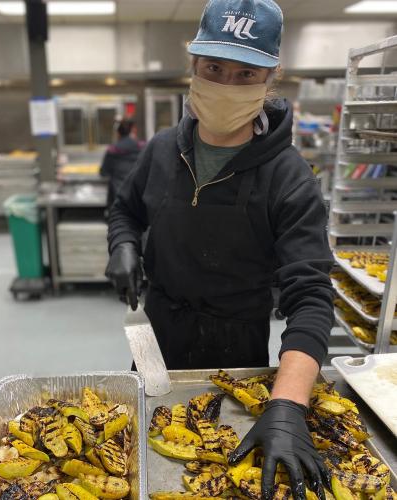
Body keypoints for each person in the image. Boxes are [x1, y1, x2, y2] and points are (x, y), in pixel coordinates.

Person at [105, 0, 334, 499]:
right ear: (193, 67)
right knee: (131, 463)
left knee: (220, 477)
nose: (226, 85)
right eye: (213, 68)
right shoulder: (162, 150)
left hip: (237, 349)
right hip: (158, 332)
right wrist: (122, 246)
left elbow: (312, 297)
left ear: (271, 77)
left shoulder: (289, 179)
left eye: (245, 72)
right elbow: (125, 210)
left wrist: (289, 406)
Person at [100, 118, 145, 210]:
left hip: (118, 196)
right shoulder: (142, 146)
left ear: (118, 133)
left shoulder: (112, 150)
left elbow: (103, 172)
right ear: (131, 131)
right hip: (138, 194)